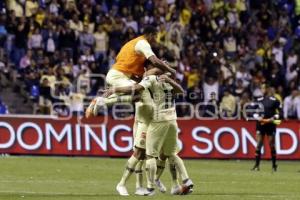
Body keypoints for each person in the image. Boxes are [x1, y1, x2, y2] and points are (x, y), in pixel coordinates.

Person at [104, 65, 193, 196]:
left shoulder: (151, 79)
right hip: (154, 121)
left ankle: (154, 185)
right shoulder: (163, 81)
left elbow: (135, 90)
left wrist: (113, 92)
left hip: (156, 120)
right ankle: (135, 185)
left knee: (154, 155)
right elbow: (135, 94)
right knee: (144, 154)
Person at [85, 25, 176, 118]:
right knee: (138, 90)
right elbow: (154, 61)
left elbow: (141, 79)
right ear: (150, 35)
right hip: (117, 75)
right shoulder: (143, 43)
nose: (156, 39)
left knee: (138, 95)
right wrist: (170, 70)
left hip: (120, 75)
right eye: (155, 36)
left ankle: (103, 100)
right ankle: (101, 101)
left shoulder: (137, 55)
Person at [251, 85, 282, 172]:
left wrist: (273, 118)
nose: (262, 90)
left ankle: (274, 165)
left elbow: (280, 113)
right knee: (259, 144)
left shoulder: (275, 101)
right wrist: (257, 117)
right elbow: (252, 112)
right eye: (262, 88)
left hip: (270, 124)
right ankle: (256, 166)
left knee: (271, 144)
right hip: (261, 124)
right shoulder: (258, 100)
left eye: (264, 88)